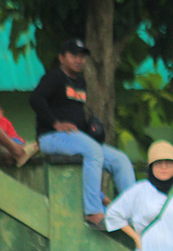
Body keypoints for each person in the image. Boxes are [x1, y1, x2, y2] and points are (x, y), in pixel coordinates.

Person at [29, 38, 136, 227]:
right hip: (50, 137)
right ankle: (93, 212)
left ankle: (134, 213)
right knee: (93, 151)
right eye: (73, 55)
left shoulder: (80, 82)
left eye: (82, 56)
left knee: (120, 160)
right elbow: (36, 99)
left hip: (75, 139)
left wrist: (90, 129)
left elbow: (74, 114)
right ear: (62, 58)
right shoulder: (54, 78)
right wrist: (56, 123)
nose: (79, 60)